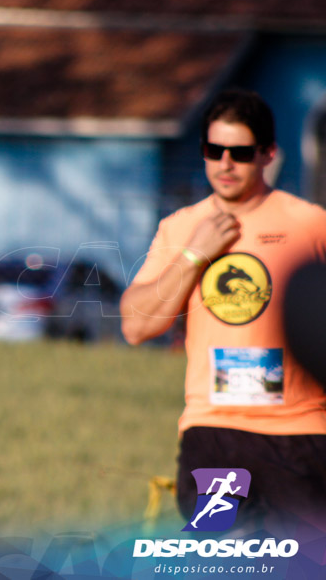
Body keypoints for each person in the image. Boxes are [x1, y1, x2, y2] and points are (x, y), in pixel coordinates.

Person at [120, 88, 326, 532]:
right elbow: (136, 327)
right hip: (217, 434)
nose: (225, 164)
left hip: (303, 435)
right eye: (214, 150)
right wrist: (194, 255)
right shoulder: (180, 229)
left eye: (240, 152)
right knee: (219, 556)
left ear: (269, 154)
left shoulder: (313, 226)